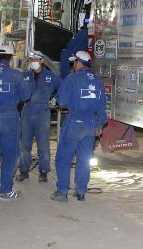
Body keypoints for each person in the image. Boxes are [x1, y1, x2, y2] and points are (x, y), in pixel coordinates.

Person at [0, 45, 34, 201]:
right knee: (10, 154)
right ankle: (6, 191)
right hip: (9, 116)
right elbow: (26, 96)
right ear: (10, 58)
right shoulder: (16, 74)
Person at [51, 50, 107, 202]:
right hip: (91, 123)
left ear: (79, 63)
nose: (73, 66)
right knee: (84, 158)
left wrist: (57, 100)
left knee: (64, 157)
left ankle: (62, 192)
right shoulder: (97, 81)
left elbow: (63, 101)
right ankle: (80, 192)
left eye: (74, 63)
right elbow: (102, 106)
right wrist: (100, 125)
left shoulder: (72, 78)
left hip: (75, 121)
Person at [16, 50, 61, 183]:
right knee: (25, 144)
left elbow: (63, 87)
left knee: (43, 144)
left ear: (41, 61)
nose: (33, 62)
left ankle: (43, 171)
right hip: (27, 111)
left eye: (35, 60)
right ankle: (24, 170)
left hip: (43, 111)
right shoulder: (24, 76)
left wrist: (55, 99)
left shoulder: (50, 76)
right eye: (31, 60)